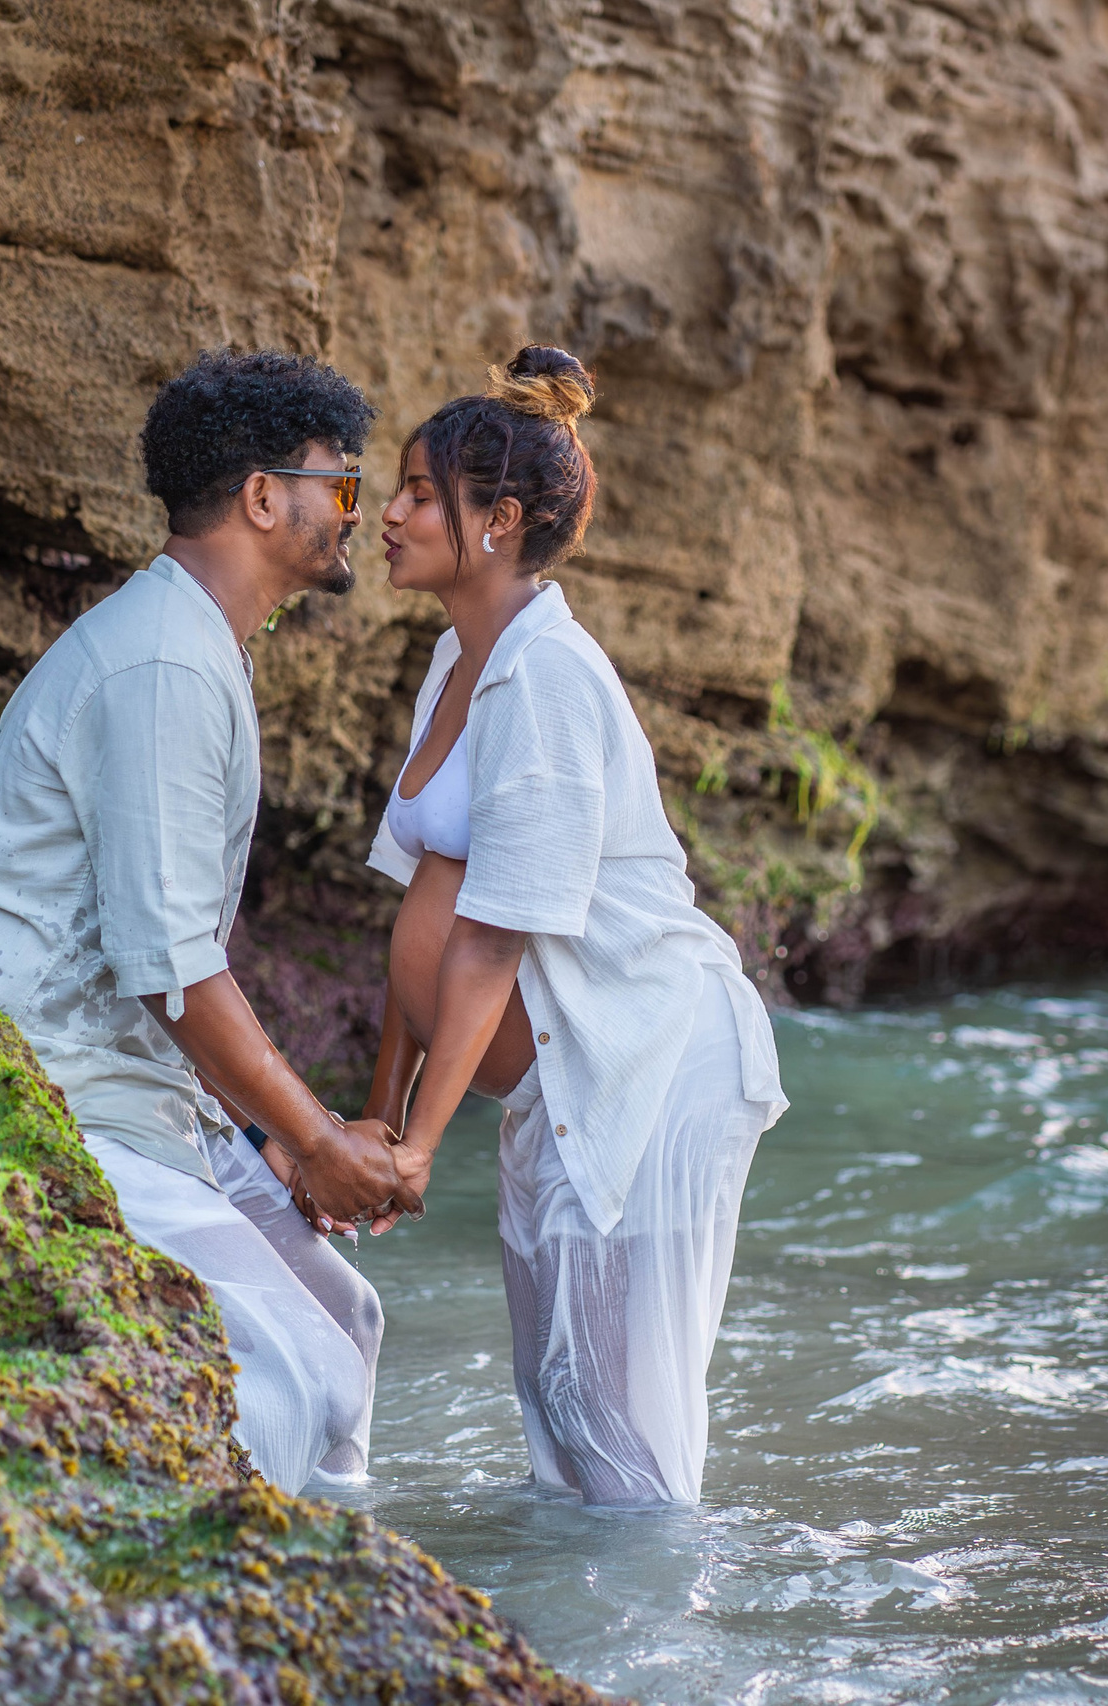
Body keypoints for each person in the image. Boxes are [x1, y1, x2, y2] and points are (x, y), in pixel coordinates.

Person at [0, 349, 415, 1491]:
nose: (354, 512)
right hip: (52, 1092)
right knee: (306, 1379)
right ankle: (224, 1566)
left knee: (348, 1317)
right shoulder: (163, 665)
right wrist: (316, 1140)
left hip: (141, 1095)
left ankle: (336, 1569)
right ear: (262, 497)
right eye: (339, 484)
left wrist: (267, 1132)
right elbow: (171, 967)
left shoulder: (193, 646)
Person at [352, 345, 788, 1507]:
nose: (387, 514)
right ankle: (583, 1616)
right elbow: (422, 899)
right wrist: (381, 1111)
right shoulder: (459, 655)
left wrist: (416, 1147)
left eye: (417, 494)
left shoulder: (546, 673)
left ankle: (668, 1612)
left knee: (611, 1421)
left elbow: (491, 936)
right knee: (555, 1402)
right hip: (561, 1058)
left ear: (497, 521)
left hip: (647, 1052)